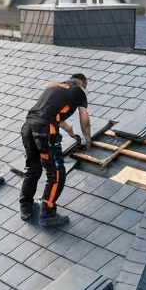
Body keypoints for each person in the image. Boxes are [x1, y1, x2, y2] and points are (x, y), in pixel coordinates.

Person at [20, 74, 91, 228]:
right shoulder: (78, 90)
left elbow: (51, 113)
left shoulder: (53, 86)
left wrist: (70, 131)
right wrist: (88, 139)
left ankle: (26, 208)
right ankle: (48, 214)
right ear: (83, 84)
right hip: (45, 131)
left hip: (28, 127)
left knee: (33, 168)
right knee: (56, 173)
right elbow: (84, 117)